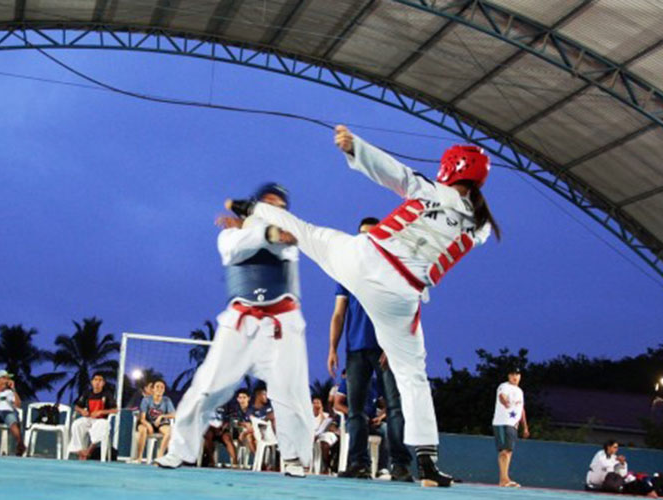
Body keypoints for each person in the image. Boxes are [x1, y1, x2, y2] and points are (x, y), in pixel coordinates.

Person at [226, 126, 501, 487]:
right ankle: (427, 462)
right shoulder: (479, 226)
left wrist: (357, 148)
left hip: (368, 259)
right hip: (402, 294)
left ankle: (254, 209)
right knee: (413, 376)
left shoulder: (434, 191)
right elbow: (461, 216)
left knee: (308, 233)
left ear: (451, 168)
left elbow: (395, 173)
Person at [157, 183, 314, 478]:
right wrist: (259, 230)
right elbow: (236, 248)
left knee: (290, 393)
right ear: (254, 207)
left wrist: (264, 231)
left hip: (282, 324)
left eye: (280, 208)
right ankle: (181, 451)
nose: (273, 211)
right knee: (206, 387)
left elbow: (280, 243)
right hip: (239, 324)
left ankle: (293, 457)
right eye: (267, 204)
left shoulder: (291, 239)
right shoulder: (229, 236)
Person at [329, 216, 413, 481]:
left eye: (372, 234)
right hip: (355, 350)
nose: (367, 239)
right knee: (355, 411)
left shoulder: (392, 271)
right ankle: (359, 464)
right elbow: (339, 314)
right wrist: (332, 348)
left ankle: (400, 465)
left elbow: (403, 311)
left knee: (395, 408)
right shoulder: (347, 272)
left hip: (386, 348)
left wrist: (393, 343)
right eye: (363, 235)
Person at [492, 366, 529, 487]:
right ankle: (504, 479)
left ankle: (505, 478)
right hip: (502, 422)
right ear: (509, 376)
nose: (515, 377)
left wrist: (525, 427)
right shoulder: (504, 386)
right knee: (504, 451)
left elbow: (521, 409)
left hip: (513, 424)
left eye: (517, 374)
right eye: (513, 374)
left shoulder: (520, 391)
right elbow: (502, 396)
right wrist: (505, 402)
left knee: (509, 451)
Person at [68, 372, 117, 460]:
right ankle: (80, 451)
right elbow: (77, 406)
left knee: (100, 426)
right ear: (92, 382)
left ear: (103, 383)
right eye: (95, 380)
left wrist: (101, 411)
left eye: (100, 380)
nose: (97, 382)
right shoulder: (87, 393)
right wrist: (82, 411)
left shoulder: (107, 394)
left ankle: (89, 451)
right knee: (77, 424)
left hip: (101, 420)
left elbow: (115, 410)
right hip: (89, 418)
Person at [135, 379, 175, 462]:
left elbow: (174, 415)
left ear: (164, 390)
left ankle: (159, 458)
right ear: (153, 389)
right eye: (157, 387)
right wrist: (148, 425)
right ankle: (139, 458)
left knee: (169, 431)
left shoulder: (167, 400)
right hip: (147, 423)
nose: (159, 389)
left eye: (162, 387)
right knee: (143, 430)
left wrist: (162, 416)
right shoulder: (146, 400)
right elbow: (142, 418)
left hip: (160, 424)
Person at [312, 396, 338, 475]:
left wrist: (321, 412)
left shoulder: (326, 416)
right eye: (314, 403)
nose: (316, 405)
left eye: (318, 403)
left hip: (323, 435)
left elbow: (326, 426)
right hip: (312, 435)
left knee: (325, 441)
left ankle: (326, 465)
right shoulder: (308, 415)